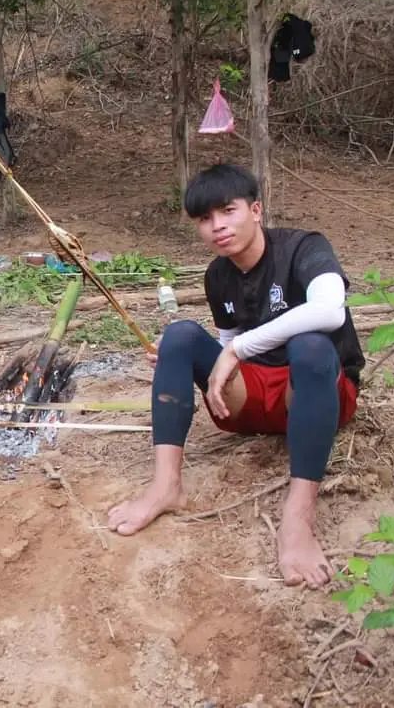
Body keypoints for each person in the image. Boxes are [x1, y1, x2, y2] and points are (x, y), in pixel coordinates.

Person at [107, 164, 364, 589]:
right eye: (205, 219)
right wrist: (184, 359)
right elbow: (229, 345)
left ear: (256, 210)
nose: (218, 226)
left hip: (318, 394)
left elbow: (329, 310)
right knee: (179, 336)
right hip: (255, 398)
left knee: (311, 346)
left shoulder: (303, 248)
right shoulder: (218, 276)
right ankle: (166, 486)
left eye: (228, 211)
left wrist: (236, 349)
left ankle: (298, 518)